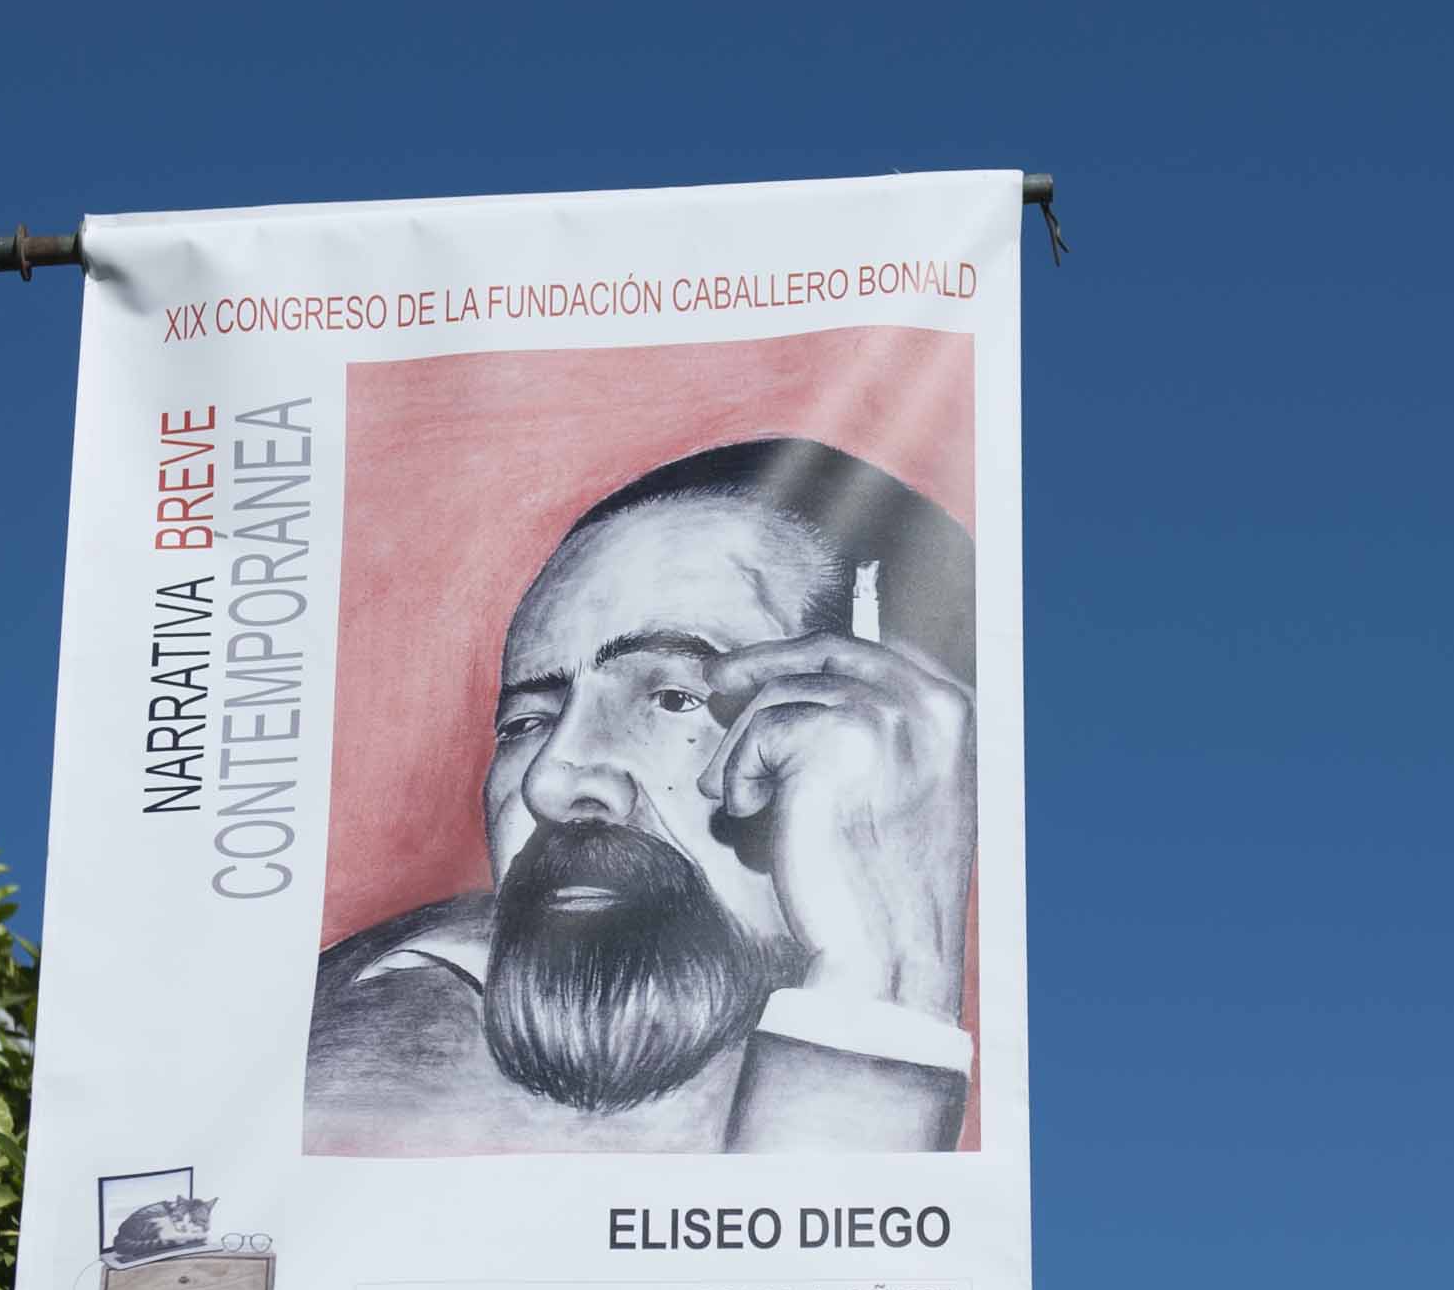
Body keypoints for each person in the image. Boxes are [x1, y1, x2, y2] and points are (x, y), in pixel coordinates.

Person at [302, 438, 978, 1154]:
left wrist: (878, 981)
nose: (550, 779)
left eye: (675, 698)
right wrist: (888, 998)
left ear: (900, 744)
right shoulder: (392, 1043)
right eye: (527, 722)